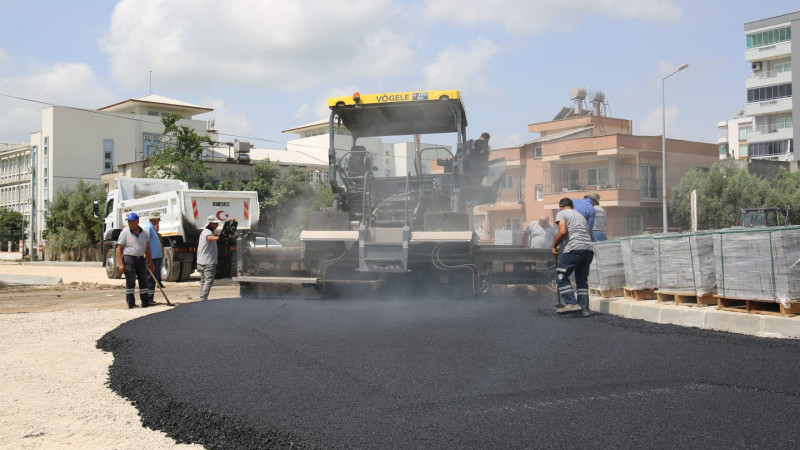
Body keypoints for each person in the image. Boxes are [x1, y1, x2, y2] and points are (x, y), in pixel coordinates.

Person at [552, 197, 595, 317]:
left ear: (560, 206)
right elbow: (588, 233)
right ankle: (584, 308)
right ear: (572, 206)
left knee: (561, 276)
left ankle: (571, 303)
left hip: (574, 248)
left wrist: (554, 246)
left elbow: (563, 232)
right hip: (588, 250)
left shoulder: (562, 213)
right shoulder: (580, 216)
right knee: (581, 279)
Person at [116, 212, 154, 309]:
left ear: (137, 222)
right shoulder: (125, 232)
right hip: (129, 258)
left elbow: (148, 249)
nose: (130, 224)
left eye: (132, 222)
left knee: (143, 280)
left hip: (141, 259)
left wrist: (150, 262)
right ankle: (131, 303)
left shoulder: (144, 233)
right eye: (129, 222)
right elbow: (119, 249)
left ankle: (145, 302)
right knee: (130, 280)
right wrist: (121, 264)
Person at [197, 215, 220, 301]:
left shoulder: (205, 231)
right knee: (208, 280)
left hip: (201, 260)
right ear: (211, 223)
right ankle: (203, 298)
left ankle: (201, 297)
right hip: (208, 261)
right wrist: (218, 238)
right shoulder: (207, 232)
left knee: (203, 280)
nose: (217, 225)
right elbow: (209, 238)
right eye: (216, 223)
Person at [142, 211, 164, 302]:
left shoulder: (152, 227)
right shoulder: (148, 227)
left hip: (156, 256)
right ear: (153, 219)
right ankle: (148, 298)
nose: (159, 220)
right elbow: (145, 242)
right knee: (150, 278)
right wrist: (146, 255)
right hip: (152, 257)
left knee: (153, 278)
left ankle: (150, 298)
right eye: (158, 218)